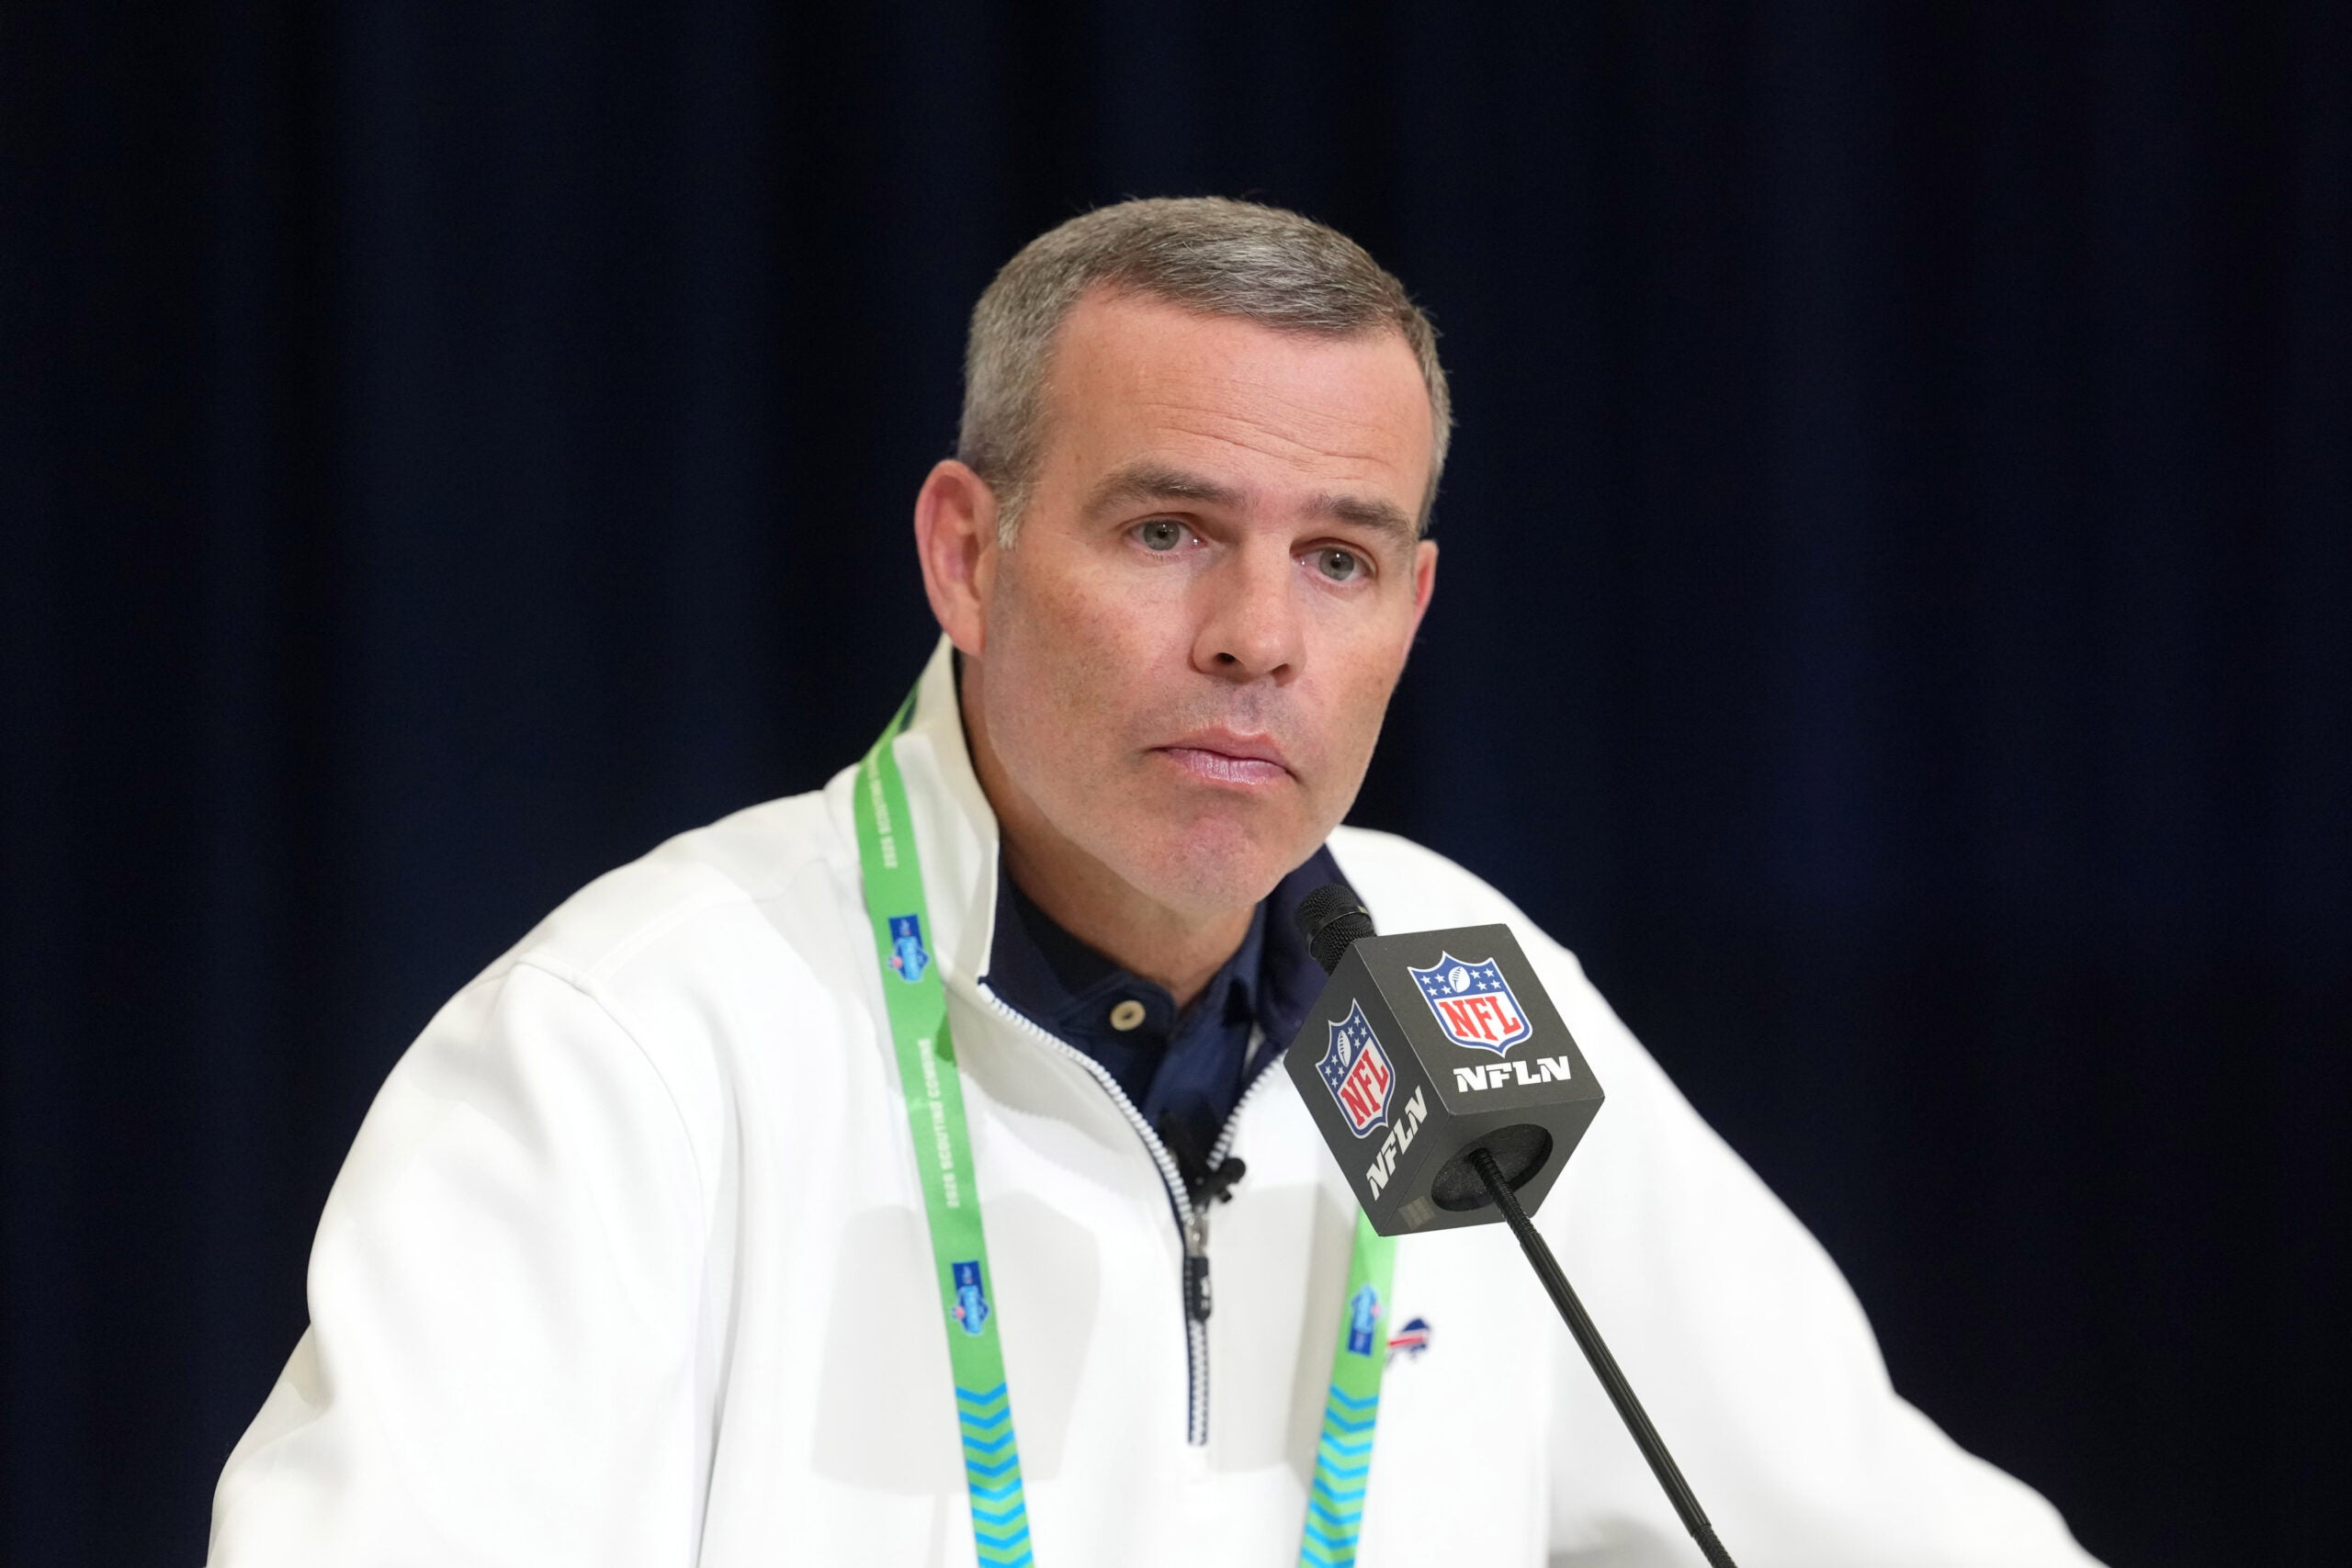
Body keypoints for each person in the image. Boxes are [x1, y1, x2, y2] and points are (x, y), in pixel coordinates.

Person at [207, 197, 2101, 1567]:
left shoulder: (1454, 985)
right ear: (967, 550)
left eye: (1339, 558)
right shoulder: (637, 1039)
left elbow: (1861, 1512)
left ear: (1410, 610)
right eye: (1168, 528)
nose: (1255, 635)